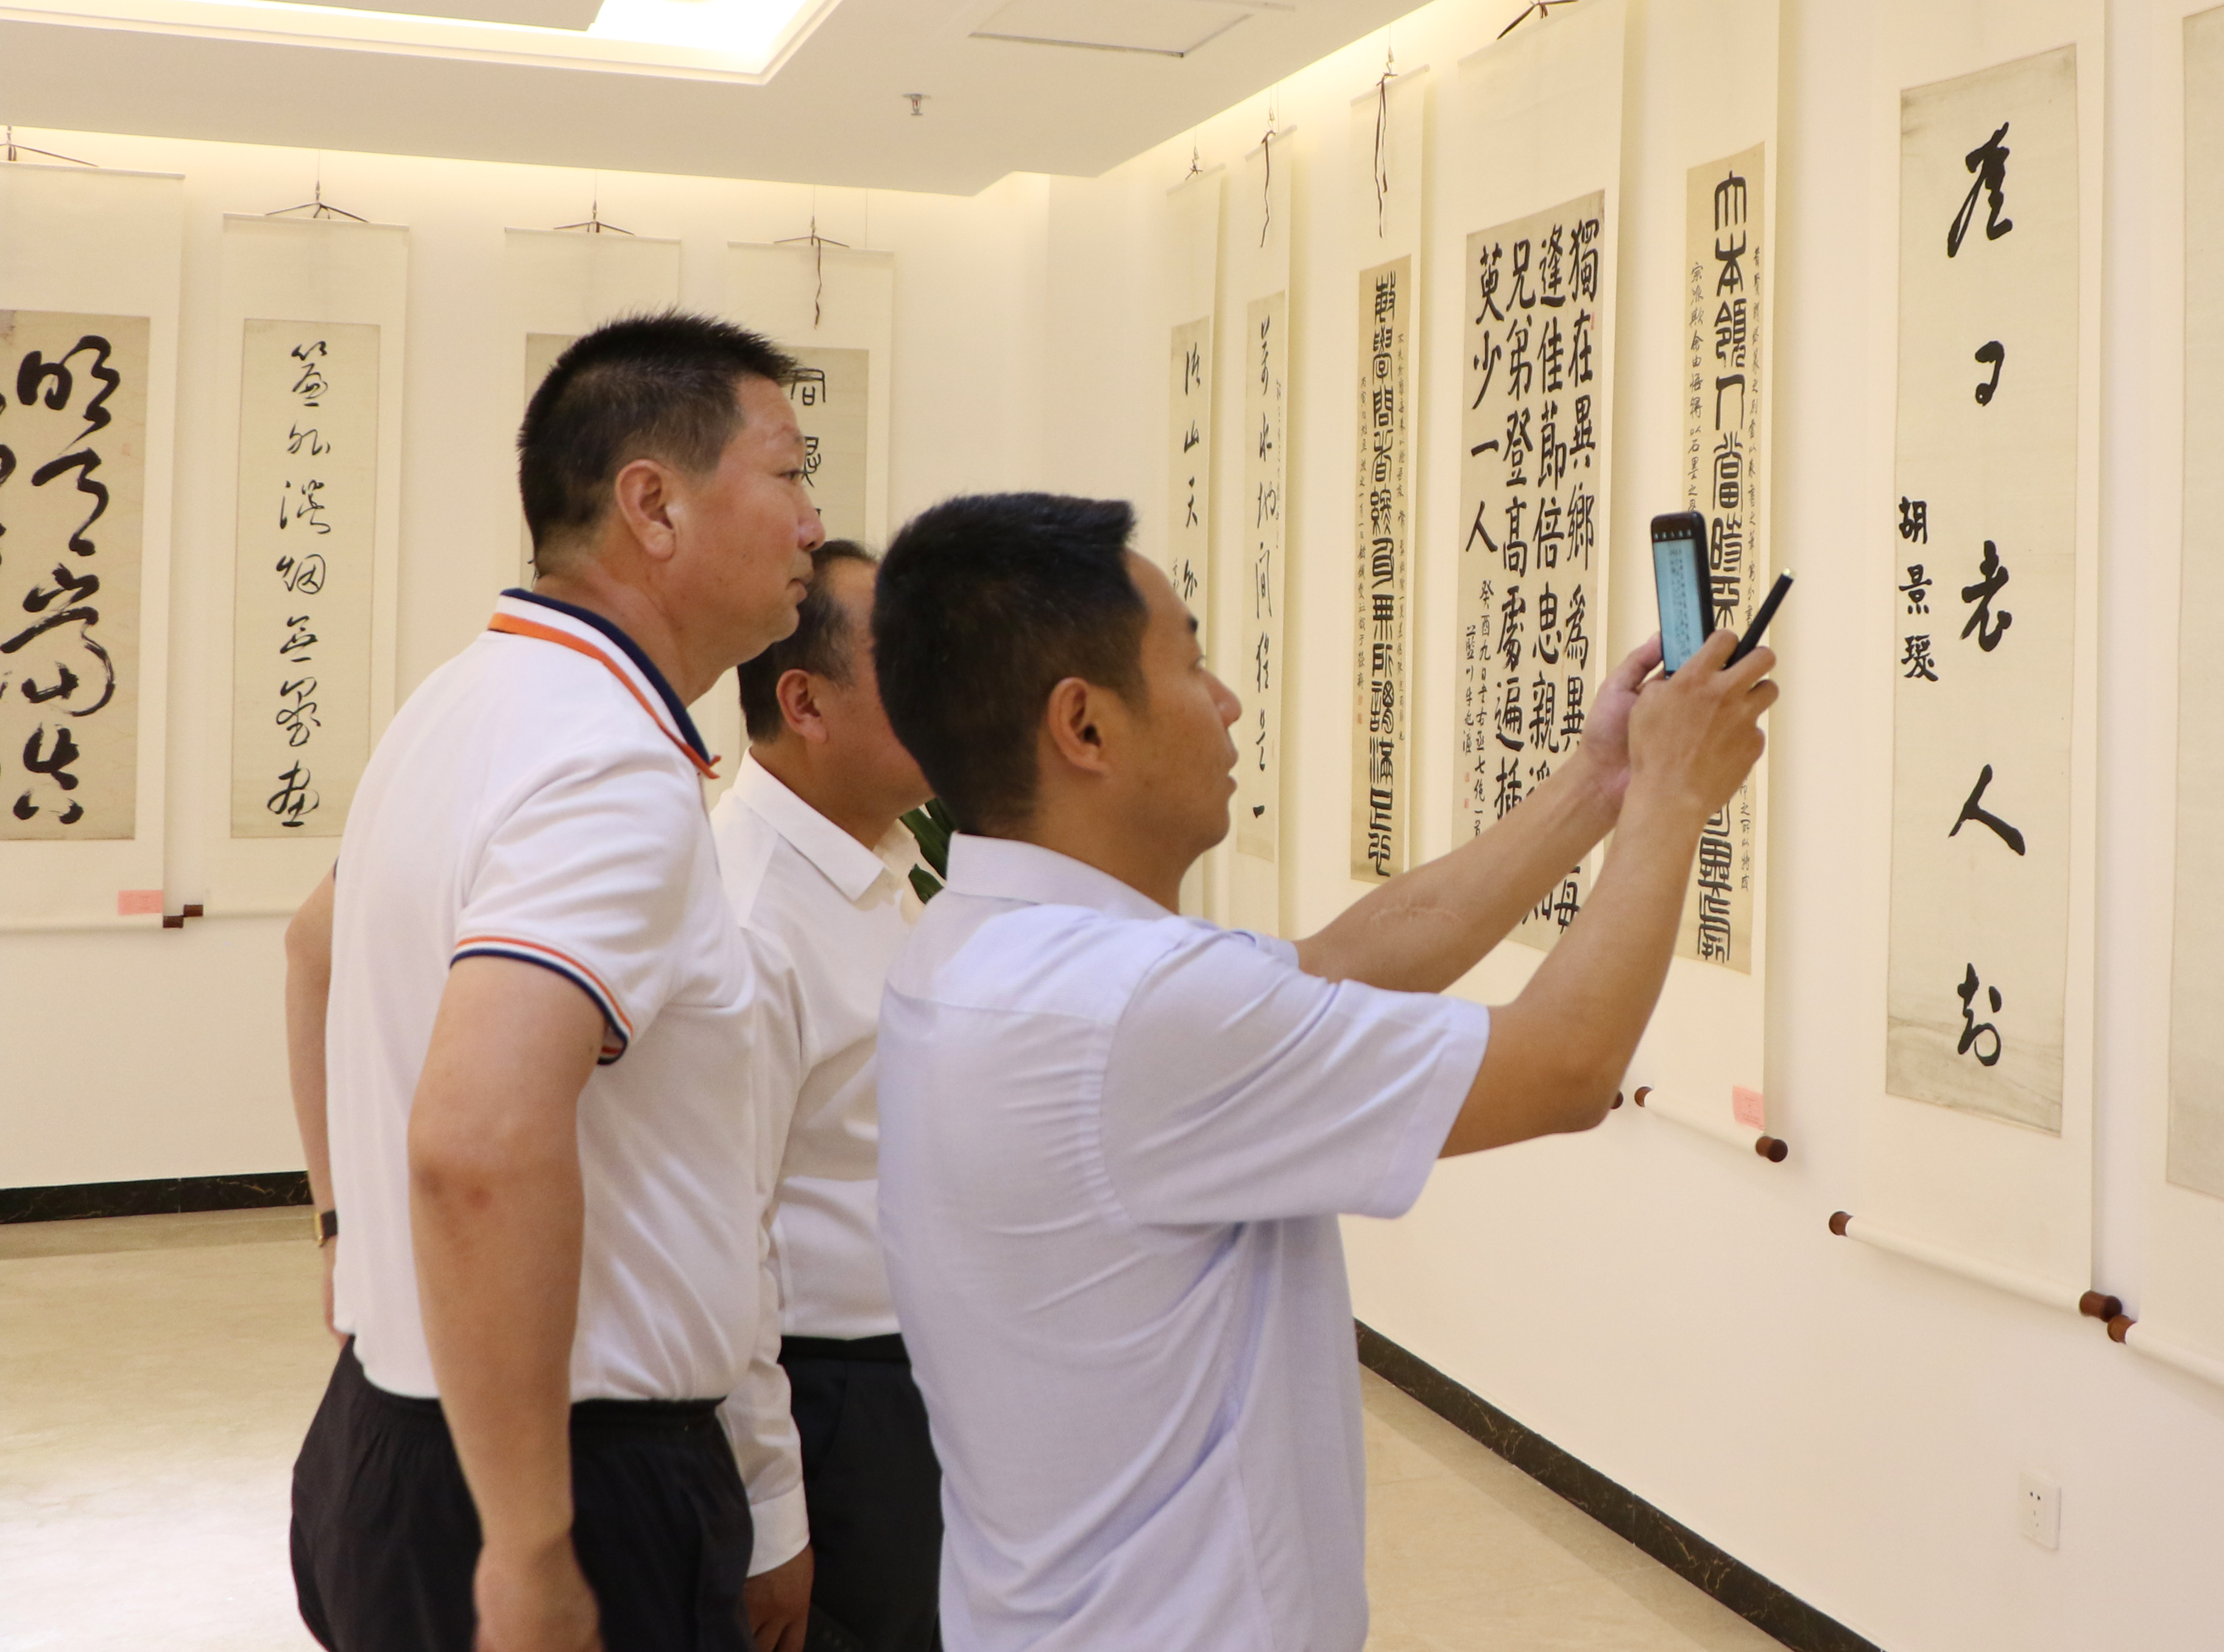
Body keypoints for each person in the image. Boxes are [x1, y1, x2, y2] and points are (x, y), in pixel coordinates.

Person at [867, 492, 1773, 1651]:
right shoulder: (1132, 1009)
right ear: (1084, 727)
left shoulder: (981, 948)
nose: (1227, 702)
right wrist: (1675, 801)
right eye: (1191, 663)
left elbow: (1349, 962)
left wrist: (1604, 784)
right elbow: (1563, 1068)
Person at [288, 312, 822, 1652]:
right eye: (790, 473)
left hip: (394, 1425)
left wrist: (353, 1243)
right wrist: (531, 1550)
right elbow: (478, 1142)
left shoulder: (467, 702)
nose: (815, 522)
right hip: (557, 1476)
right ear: (655, 505)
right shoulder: (603, 761)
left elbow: (309, 951)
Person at [718, 540, 945, 1652]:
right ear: (803, 701)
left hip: (915, 1379)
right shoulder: (753, 917)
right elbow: (727, 1238)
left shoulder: (883, 869)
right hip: (833, 1404)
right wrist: (774, 1515)